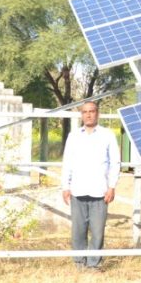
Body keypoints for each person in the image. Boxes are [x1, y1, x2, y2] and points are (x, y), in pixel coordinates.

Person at [60, 101, 121, 270]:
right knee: (78, 230)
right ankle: (79, 262)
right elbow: (67, 162)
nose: (88, 114)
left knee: (97, 231)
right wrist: (65, 186)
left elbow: (115, 162)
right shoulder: (73, 136)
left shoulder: (107, 135)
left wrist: (112, 186)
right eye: (85, 112)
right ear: (81, 115)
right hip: (77, 190)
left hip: (99, 192)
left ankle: (94, 264)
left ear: (97, 113)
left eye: (92, 111)